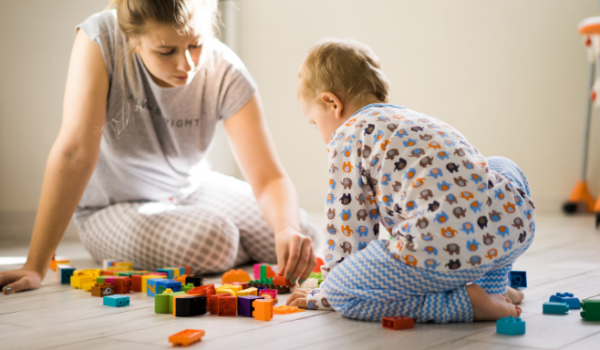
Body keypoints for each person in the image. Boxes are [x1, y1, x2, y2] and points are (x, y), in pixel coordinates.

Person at [0, 0, 319, 295]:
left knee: (302, 234)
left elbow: (267, 176)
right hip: (110, 207)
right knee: (215, 240)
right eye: (166, 51)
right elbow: (75, 154)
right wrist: (35, 266)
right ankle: (225, 241)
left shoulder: (224, 68)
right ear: (132, 39)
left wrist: (285, 229)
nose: (187, 64)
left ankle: (229, 238)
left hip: (190, 189)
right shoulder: (101, 38)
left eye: (196, 44)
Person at [287, 39, 535, 322]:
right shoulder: (411, 118)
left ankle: (466, 304)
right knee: (500, 165)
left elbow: (348, 230)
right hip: (512, 227)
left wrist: (328, 291)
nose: (320, 134)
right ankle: (495, 287)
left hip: (442, 246)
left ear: (332, 103)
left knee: (343, 291)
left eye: (314, 123)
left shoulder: (347, 135)